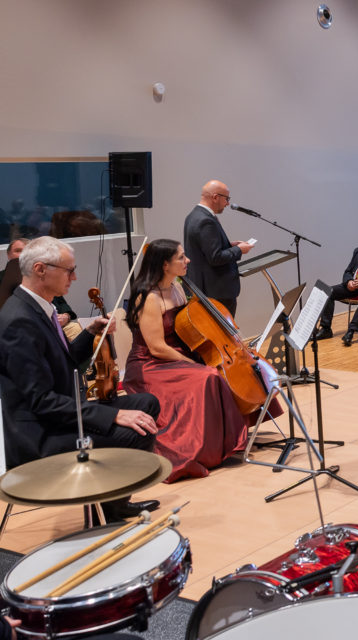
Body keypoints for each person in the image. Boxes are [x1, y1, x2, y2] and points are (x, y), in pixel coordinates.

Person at [0, 237, 160, 520]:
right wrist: (112, 417)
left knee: (146, 404)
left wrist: (90, 333)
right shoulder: (19, 321)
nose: (74, 277)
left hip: (59, 417)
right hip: (41, 436)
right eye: (68, 270)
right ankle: (112, 511)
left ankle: (115, 502)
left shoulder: (39, 308)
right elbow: (41, 402)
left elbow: (64, 362)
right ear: (40, 269)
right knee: (134, 429)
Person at [121, 239, 253, 482]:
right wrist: (191, 363)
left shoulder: (177, 287)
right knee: (207, 376)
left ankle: (223, 443)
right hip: (150, 364)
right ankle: (204, 450)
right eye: (181, 257)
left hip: (178, 354)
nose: (187, 260)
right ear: (164, 264)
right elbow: (157, 347)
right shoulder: (147, 297)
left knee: (220, 371)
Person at [182, 180, 252, 317]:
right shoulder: (205, 220)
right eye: (226, 199)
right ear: (215, 197)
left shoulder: (193, 215)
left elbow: (205, 249)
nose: (227, 203)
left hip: (206, 288)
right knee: (224, 335)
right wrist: (239, 250)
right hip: (216, 292)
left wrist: (229, 245)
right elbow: (215, 258)